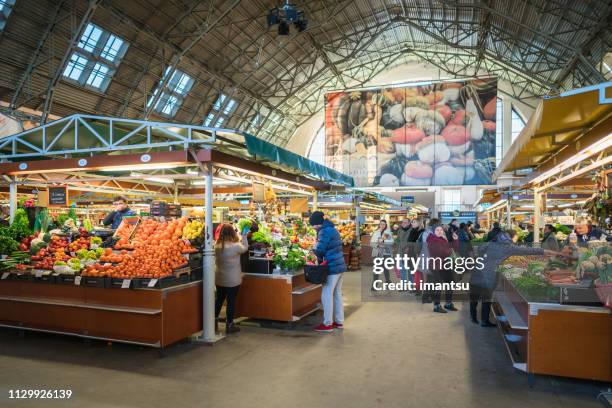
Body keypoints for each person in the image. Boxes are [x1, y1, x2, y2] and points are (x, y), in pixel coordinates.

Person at [470, 230, 559, 327]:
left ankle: (473, 317)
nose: (517, 240)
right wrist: (549, 252)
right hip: (489, 275)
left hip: (477, 271)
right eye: (516, 237)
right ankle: (484, 321)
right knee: (486, 298)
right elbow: (529, 251)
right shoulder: (508, 247)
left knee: (474, 296)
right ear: (512, 237)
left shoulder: (491, 243)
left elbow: (479, 249)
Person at [309, 211, 346, 333]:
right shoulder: (332, 229)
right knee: (337, 294)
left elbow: (320, 249)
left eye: (313, 225)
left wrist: (312, 249)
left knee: (326, 294)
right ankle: (339, 322)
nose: (312, 227)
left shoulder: (324, 231)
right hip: (339, 265)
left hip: (331, 266)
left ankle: (327, 324)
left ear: (317, 223)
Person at [214, 224, 248, 334]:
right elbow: (245, 248)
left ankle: (213, 322)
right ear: (232, 233)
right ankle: (229, 325)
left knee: (218, 300)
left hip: (219, 278)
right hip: (233, 279)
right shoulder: (236, 246)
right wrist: (244, 236)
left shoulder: (217, 246)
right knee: (231, 302)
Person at [427, 225, 458, 313]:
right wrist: (450, 249)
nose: (440, 231)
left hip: (445, 265)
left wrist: (455, 240)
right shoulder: (432, 240)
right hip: (436, 266)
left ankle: (448, 303)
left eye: (441, 230)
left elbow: (454, 249)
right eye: (437, 230)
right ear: (433, 232)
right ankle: (436, 306)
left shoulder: (443, 239)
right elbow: (442, 252)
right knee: (438, 285)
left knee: (450, 283)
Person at [419, 218, 439, 303]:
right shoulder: (430, 233)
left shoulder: (426, 232)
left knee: (428, 279)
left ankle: (427, 296)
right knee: (428, 279)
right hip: (428, 257)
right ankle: (426, 297)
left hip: (426, 257)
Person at [370, 219, 394, 285]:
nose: (382, 225)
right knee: (376, 269)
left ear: (386, 225)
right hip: (377, 253)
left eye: (384, 224)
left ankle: (388, 281)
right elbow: (371, 243)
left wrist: (384, 244)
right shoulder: (376, 232)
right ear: (379, 225)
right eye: (381, 224)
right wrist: (377, 245)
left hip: (385, 253)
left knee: (386, 269)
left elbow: (391, 242)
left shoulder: (388, 233)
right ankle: (375, 284)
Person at [396, 219, 412, 283]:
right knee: (402, 269)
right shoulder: (400, 230)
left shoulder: (412, 230)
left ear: (409, 223)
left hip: (409, 253)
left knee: (410, 270)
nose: (404, 223)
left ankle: (411, 285)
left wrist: (408, 247)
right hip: (400, 252)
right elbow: (398, 240)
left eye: (406, 222)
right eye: (403, 222)